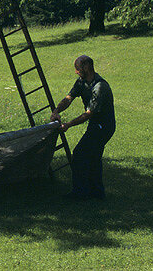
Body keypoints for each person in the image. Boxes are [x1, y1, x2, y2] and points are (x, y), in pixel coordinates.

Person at [49, 55, 115, 200]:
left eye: (78, 69)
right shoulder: (82, 82)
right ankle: (96, 193)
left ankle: (80, 193)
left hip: (104, 126)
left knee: (79, 154)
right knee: (93, 156)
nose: (76, 72)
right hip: (96, 124)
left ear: (86, 67)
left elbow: (88, 114)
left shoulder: (100, 87)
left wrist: (68, 125)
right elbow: (69, 98)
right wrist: (56, 111)